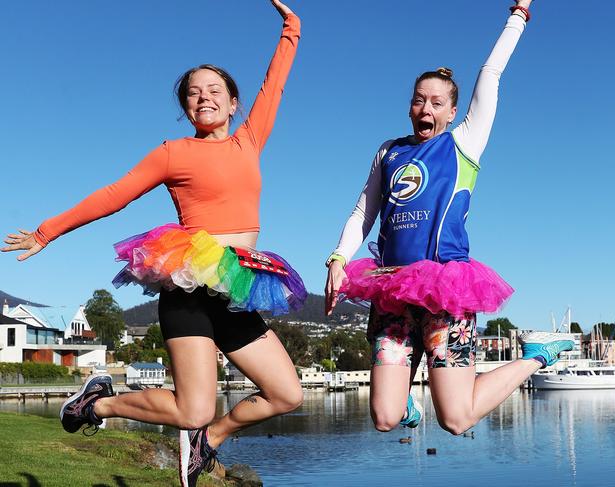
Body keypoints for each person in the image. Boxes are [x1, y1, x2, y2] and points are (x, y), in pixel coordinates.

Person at [2, 1, 304, 486]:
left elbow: (276, 83)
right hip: (188, 282)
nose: (203, 98)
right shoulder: (173, 152)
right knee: (192, 408)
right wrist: (45, 231)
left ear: (233, 103)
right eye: (192, 93)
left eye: (214, 90)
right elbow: (113, 196)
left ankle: (212, 439)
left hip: (240, 283)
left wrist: (292, 27)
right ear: (186, 107)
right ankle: (97, 403)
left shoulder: (250, 139)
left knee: (288, 394)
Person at [324, 0, 574, 436]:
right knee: (384, 418)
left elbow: (490, 74)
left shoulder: (464, 143)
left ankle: (539, 355)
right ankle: (406, 403)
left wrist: (519, 14)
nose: (427, 108)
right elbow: (365, 209)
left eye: (437, 102)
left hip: (446, 289)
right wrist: (339, 258)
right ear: (409, 107)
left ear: (453, 112)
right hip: (391, 287)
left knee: (456, 420)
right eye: (419, 100)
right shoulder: (390, 151)